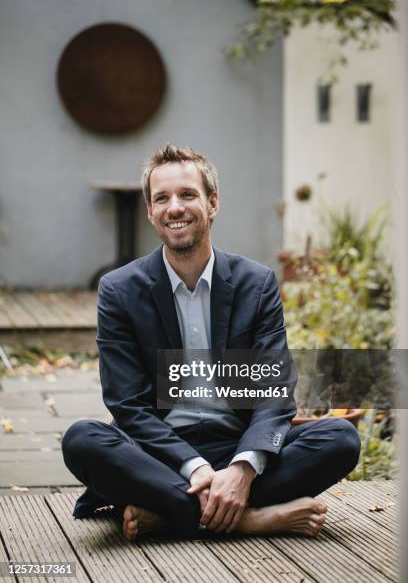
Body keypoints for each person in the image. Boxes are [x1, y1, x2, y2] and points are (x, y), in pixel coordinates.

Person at [62, 143, 361, 540]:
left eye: (187, 194)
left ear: (213, 202)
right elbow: (128, 405)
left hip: (235, 445)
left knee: (339, 438)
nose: (175, 208)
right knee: (82, 439)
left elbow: (273, 391)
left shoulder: (256, 284)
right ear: (151, 211)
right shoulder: (120, 290)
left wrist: (242, 469)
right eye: (162, 198)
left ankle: (169, 514)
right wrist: (196, 468)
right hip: (158, 455)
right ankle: (254, 519)